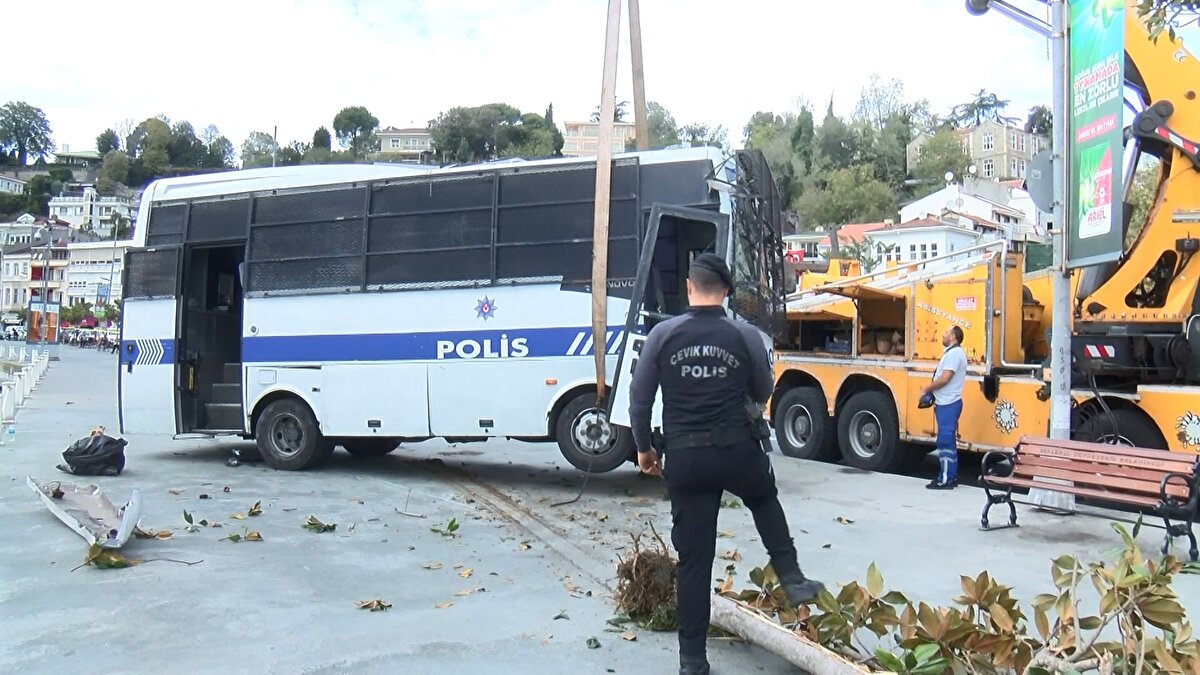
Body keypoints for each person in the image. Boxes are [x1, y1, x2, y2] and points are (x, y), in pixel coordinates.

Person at [628, 253, 825, 675]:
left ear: (688, 287)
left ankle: (692, 663)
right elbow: (763, 388)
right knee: (763, 497)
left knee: (695, 562)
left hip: (683, 458)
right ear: (728, 292)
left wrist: (645, 448)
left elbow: (640, 397)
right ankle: (791, 577)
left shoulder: (663, 335)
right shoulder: (745, 336)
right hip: (737, 451)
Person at [923, 325, 967, 490]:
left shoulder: (955, 354)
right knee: (948, 442)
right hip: (946, 403)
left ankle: (946, 479)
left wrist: (928, 388)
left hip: (948, 404)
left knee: (945, 442)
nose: (943, 334)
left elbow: (946, 378)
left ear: (953, 337)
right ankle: (951, 476)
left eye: (946, 332)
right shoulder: (953, 353)